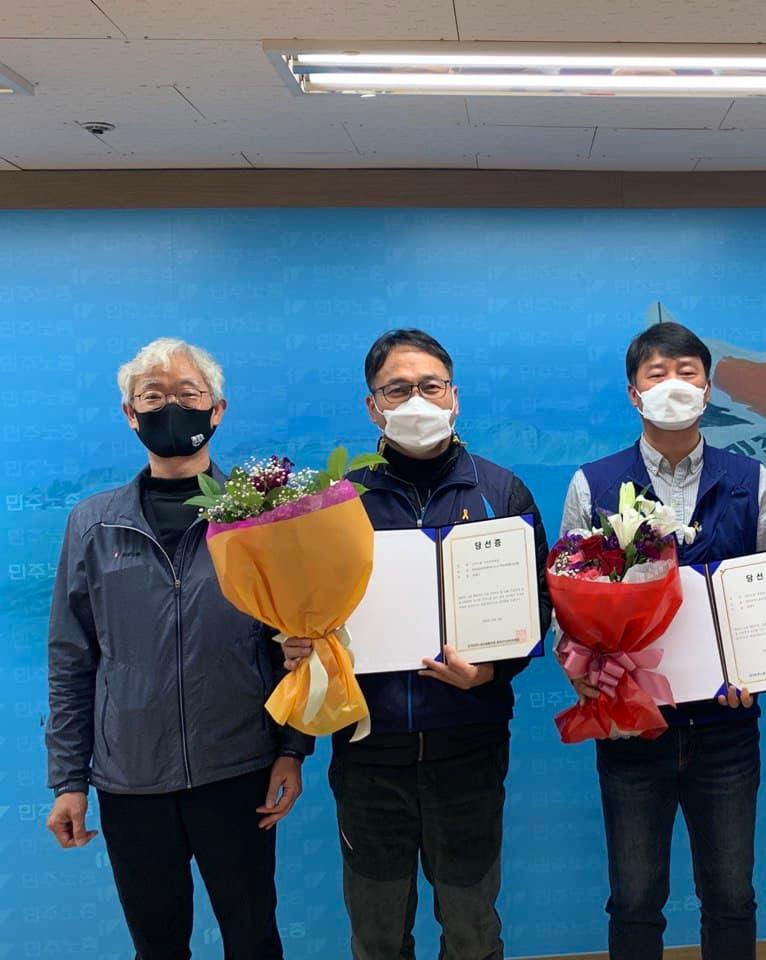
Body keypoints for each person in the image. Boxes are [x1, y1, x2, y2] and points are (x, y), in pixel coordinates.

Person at [282, 328, 551, 960]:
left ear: (455, 396)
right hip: (368, 756)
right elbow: (305, 616)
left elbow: (538, 606)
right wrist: (296, 645)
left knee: (472, 930)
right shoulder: (337, 502)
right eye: (397, 390)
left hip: (470, 750)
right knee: (377, 936)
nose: (417, 401)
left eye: (431, 386)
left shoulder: (501, 491)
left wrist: (490, 672)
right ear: (372, 406)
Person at [46, 337, 312, 960]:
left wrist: (293, 750)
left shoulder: (259, 517)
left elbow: (297, 646)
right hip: (130, 780)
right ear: (129, 413)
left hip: (239, 769)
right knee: (158, 947)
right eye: (153, 396)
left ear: (217, 409)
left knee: (254, 940)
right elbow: (71, 662)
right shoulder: (93, 524)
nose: (172, 407)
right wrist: (68, 779)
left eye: (189, 394)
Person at [558, 320, 766, 960]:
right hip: (632, 726)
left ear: (708, 388)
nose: (674, 385)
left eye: (687, 373)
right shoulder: (593, 484)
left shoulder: (750, 480)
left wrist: (761, 670)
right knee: (635, 899)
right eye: (656, 374)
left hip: (726, 726)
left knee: (731, 895)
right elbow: (567, 600)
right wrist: (580, 668)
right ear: (634, 393)